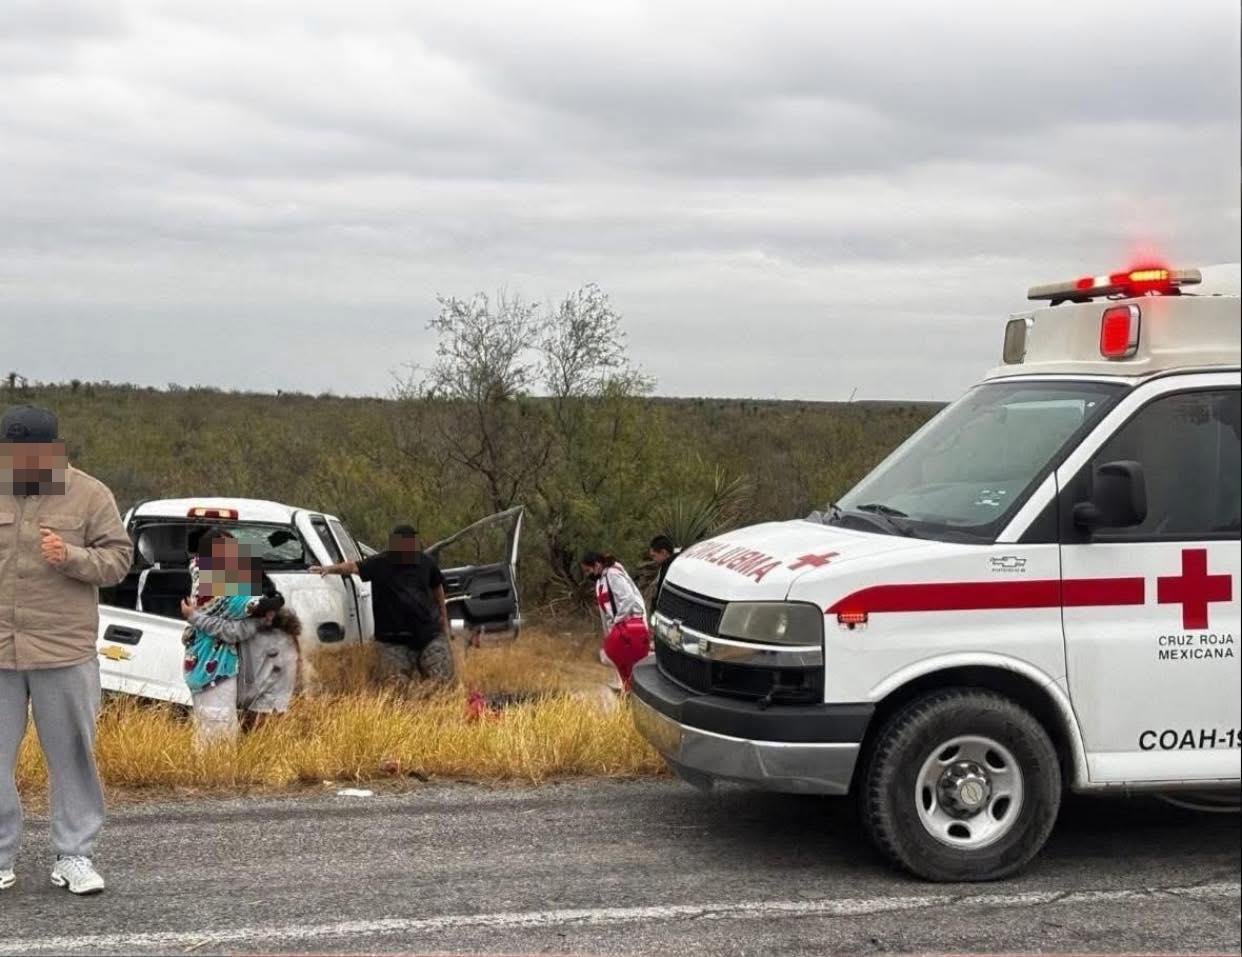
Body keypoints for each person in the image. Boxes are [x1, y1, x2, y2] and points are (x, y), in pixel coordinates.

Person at [0, 405, 133, 896]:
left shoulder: (89, 493)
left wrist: (71, 557)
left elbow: (119, 560)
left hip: (63, 649)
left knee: (73, 756)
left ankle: (75, 855)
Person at [311, 524, 454, 687]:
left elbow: (437, 586)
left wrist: (443, 613)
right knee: (395, 688)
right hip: (392, 639)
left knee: (442, 683)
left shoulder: (425, 562)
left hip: (428, 635)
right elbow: (352, 567)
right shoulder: (380, 563)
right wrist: (329, 569)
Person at [179, 530, 284, 744]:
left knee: (210, 729)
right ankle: (216, 776)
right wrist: (264, 615)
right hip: (215, 670)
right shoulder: (218, 586)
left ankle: (211, 773)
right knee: (218, 731)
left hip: (204, 666)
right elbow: (244, 619)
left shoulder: (205, 575)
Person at [581, 551, 650, 692]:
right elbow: (605, 613)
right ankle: (626, 688)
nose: (587, 574)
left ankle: (631, 689)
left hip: (630, 624)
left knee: (625, 660)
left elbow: (628, 598)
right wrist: (610, 633)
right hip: (619, 627)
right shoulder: (600, 582)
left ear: (597, 565)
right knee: (615, 658)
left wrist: (618, 621)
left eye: (588, 570)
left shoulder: (613, 574)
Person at [646, 535, 678, 602]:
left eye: (654, 556)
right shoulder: (672, 564)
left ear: (664, 552)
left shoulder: (669, 570)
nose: (653, 559)